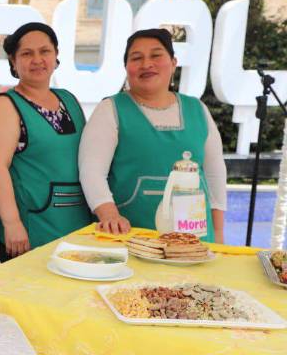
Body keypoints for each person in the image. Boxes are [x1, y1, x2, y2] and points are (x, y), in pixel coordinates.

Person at [79, 28, 226, 242]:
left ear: (173, 62)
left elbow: (215, 174)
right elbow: (91, 172)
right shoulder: (111, 109)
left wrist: (219, 234)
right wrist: (110, 216)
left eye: (156, 55)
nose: (146, 64)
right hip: (132, 238)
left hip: (196, 241)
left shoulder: (198, 109)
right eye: (136, 58)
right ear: (126, 68)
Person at [0, 23, 92, 261]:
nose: (37, 59)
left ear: (55, 56)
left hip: (76, 227)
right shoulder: (6, 105)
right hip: (31, 229)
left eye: (45, 51)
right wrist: (12, 223)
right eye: (26, 53)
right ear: (13, 61)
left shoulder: (69, 100)